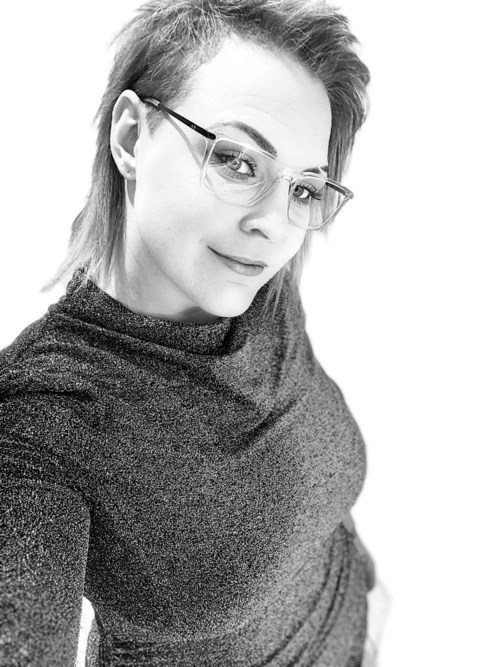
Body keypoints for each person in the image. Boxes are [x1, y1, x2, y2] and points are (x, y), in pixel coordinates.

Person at [0, 0, 375, 665]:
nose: (275, 223)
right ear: (130, 137)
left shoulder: (259, 286)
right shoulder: (42, 418)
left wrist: (370, 591)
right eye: (237, 161)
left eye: (303, 189)